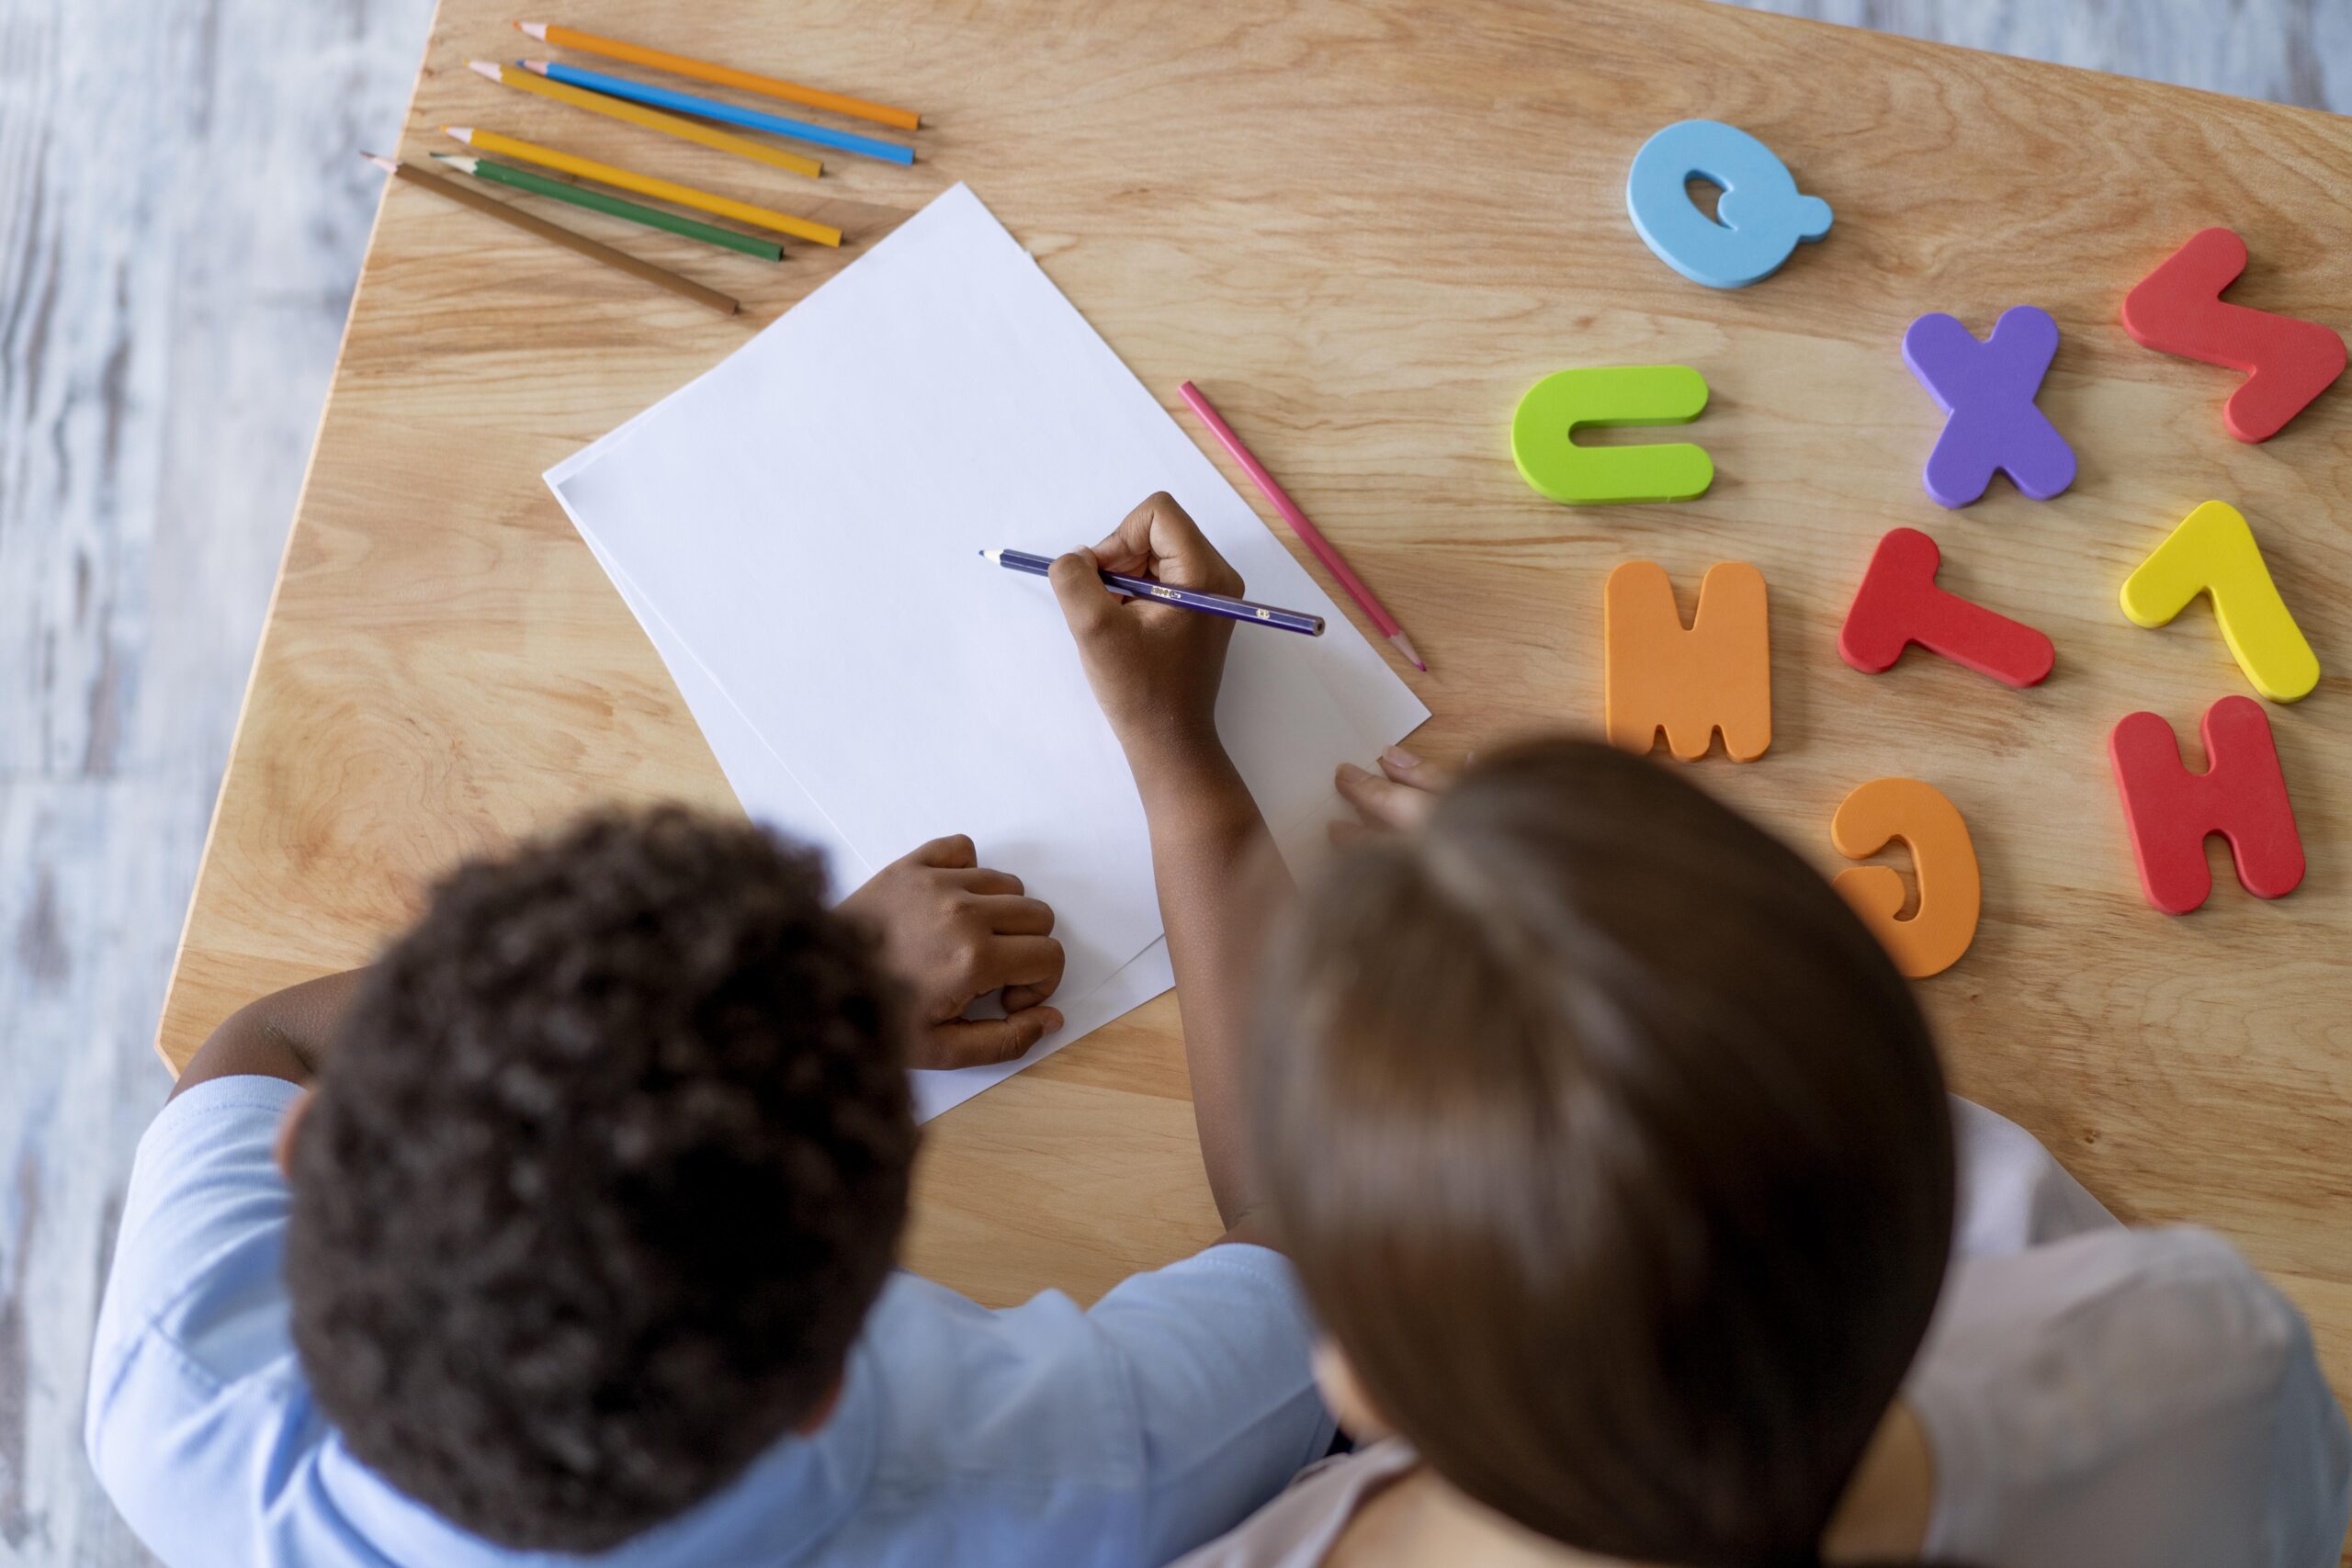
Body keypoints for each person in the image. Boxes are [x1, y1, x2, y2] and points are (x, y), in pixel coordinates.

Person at [1042, 509, 2346, 1567]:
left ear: (1351, 1380)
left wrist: (1187, 787)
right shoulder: (2195, 1355)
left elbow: (1269, 1258)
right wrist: (1593, 932)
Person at [86, 799, 1333, 1562]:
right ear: (826, 1388)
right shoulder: (1075, 1471)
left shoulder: (177, 1393)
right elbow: (1330, 1258)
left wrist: (785, 1011)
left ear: (303, 1148)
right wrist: (1187, 784)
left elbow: (266, 1048)